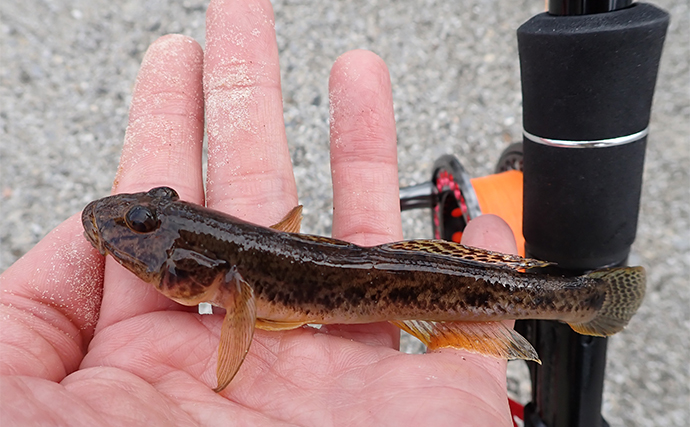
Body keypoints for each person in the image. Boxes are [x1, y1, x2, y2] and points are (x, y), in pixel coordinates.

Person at [0, 0, 520, 425]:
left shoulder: (232, 278)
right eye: (146, 223)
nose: (121, 231)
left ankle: (583, 299)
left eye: (150, 218)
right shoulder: (230, 276)